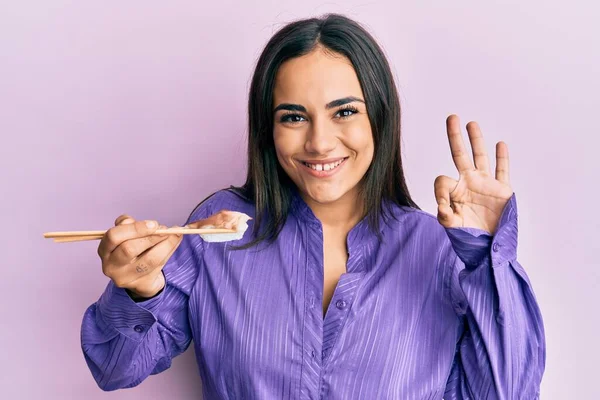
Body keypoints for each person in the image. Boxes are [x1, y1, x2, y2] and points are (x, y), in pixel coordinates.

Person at [80, 13, 546, 399]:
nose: (320, 142)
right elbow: (115, 366)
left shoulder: (439, 250)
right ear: (269, 129)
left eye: (344, 111)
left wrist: (487, 259)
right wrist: (138, 289)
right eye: (294, 117)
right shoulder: (215, 236)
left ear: (379, 119)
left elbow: (509, 391)